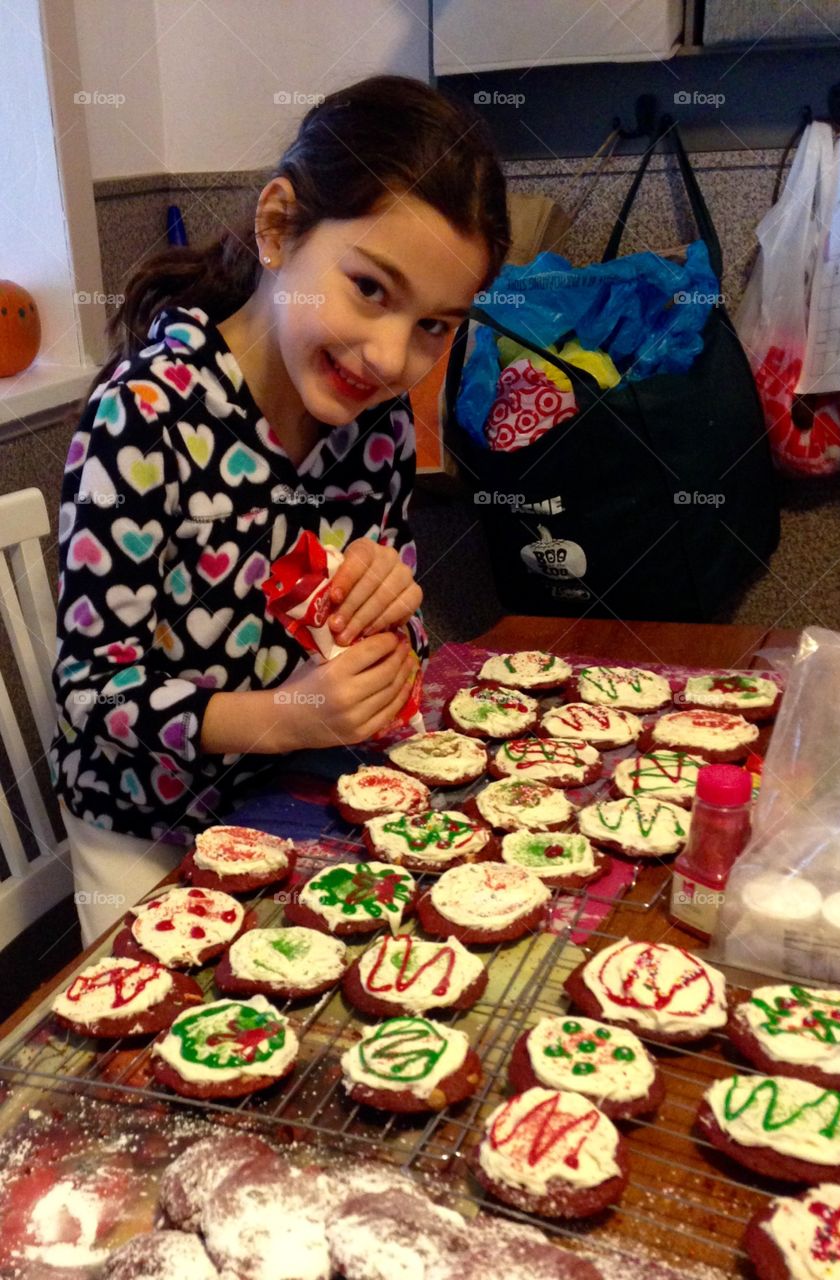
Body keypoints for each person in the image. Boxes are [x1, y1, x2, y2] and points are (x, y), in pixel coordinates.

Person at [50, 74, 510, 944]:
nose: (389, 357)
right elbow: (89, 689)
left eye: (435, 327)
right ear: (277, 227)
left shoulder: (374, 426)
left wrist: (388, 621)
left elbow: (375, 657)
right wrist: (279, 715)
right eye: (371, 289)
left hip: (296, 795)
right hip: (146, 825)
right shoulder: (146, 415)